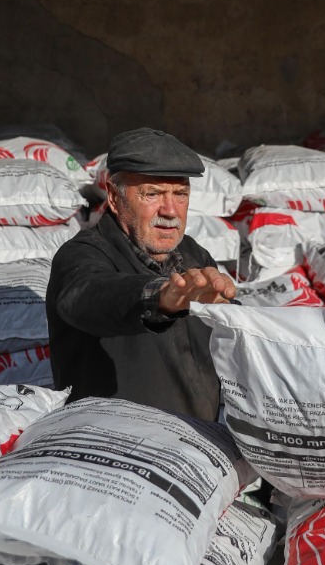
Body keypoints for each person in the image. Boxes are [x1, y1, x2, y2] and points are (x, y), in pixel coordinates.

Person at [47, 127, 238, 421]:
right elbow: (88, 295)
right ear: (113, 196)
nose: (171, 210)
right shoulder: (83, 254)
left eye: (181, 194)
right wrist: (160, 297)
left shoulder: (193, 255)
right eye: (153, 194)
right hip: (115, 448)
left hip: (196, 448)